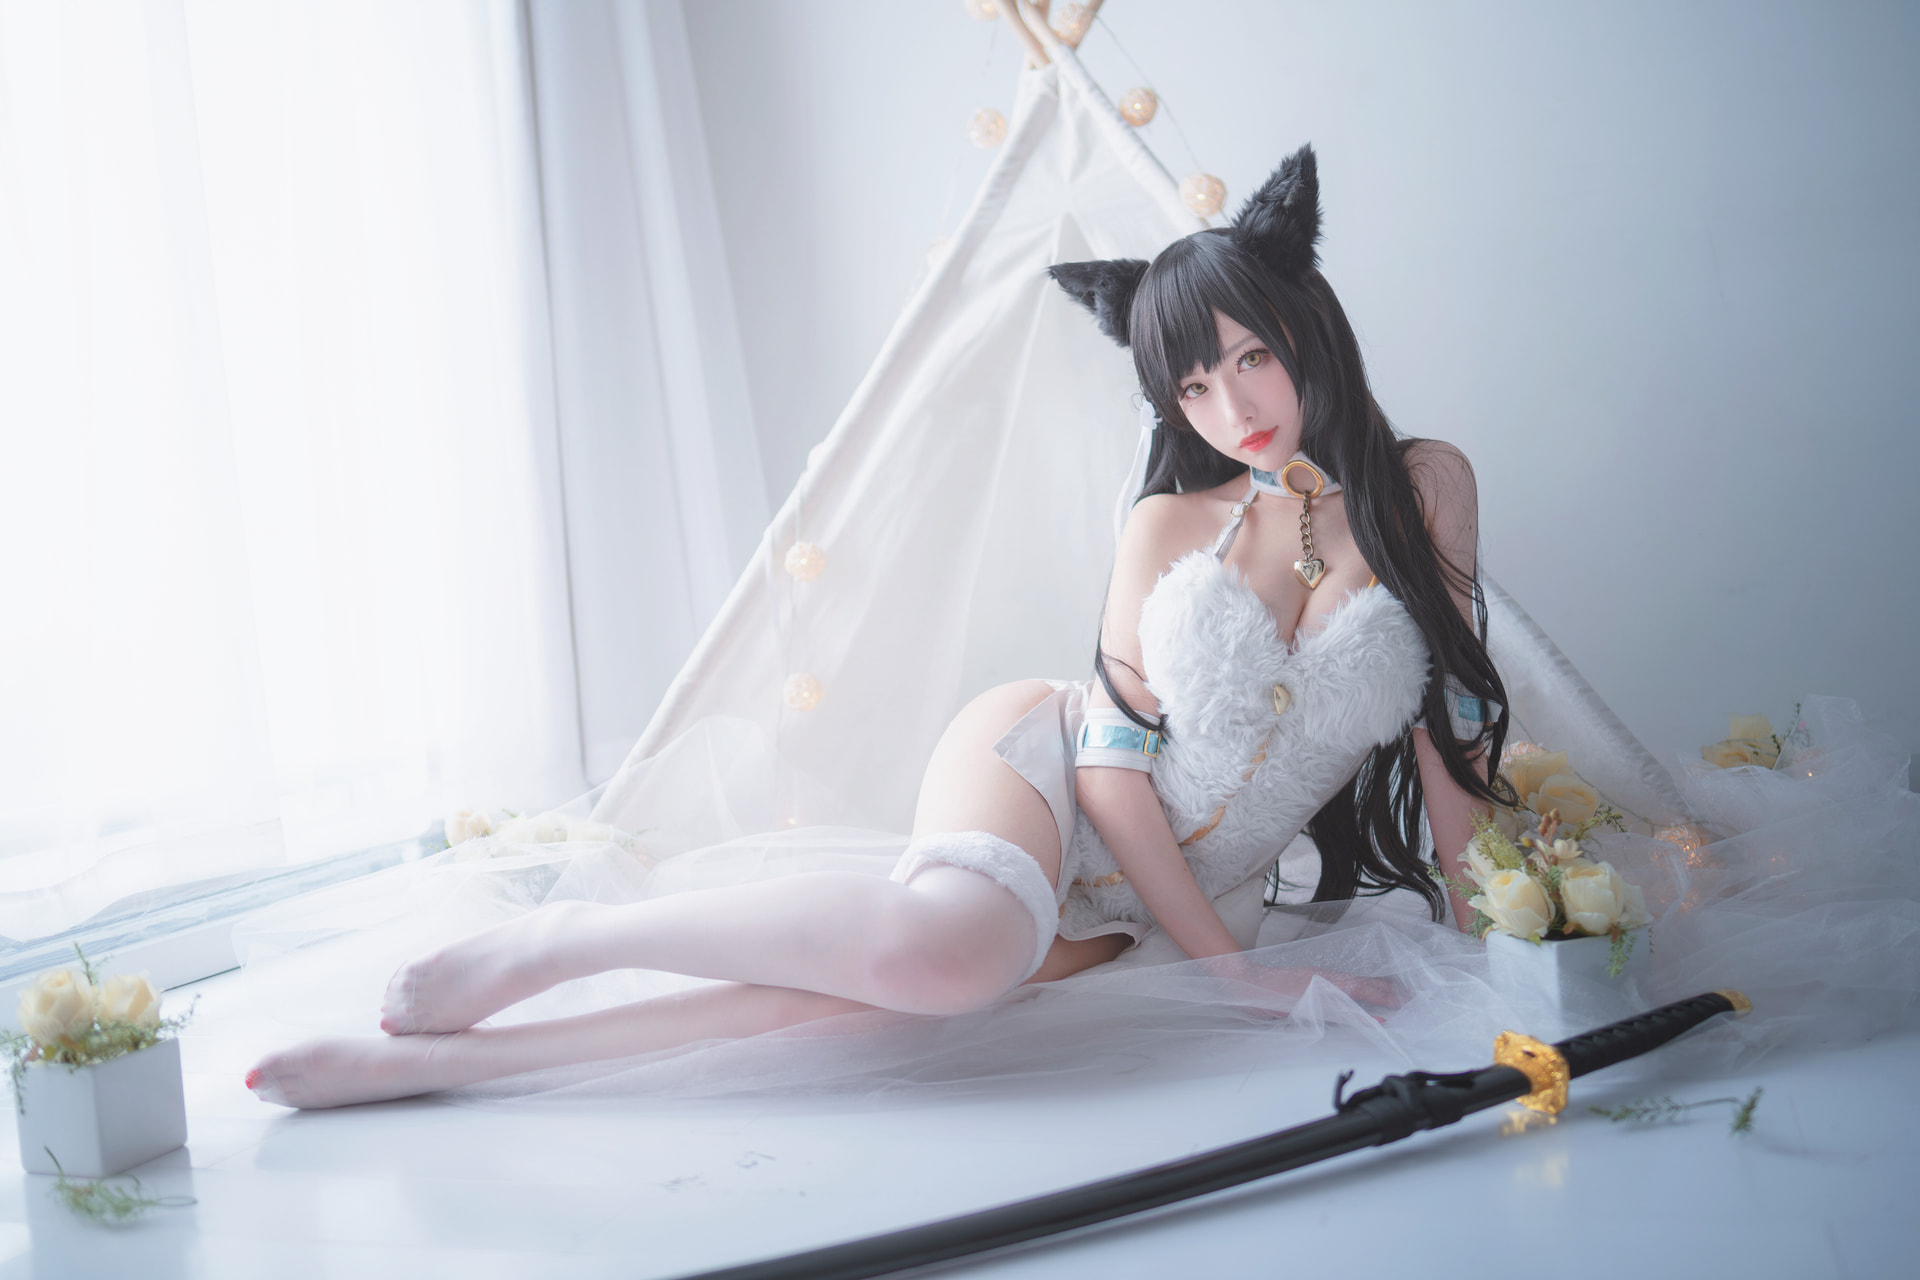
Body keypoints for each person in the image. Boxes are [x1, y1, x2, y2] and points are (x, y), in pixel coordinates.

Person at [245, 146, 1512, 1109]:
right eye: (1192, 382)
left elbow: (1447, 723)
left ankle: (452, 1066)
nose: (1230, 405)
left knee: (871, 1002)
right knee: (945, 954)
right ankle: (563, 940)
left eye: (1247, 357)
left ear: (1303, 325)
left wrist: (1488, 940)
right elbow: (1114, 765)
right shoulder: (1171, 522)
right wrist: (1234, 976)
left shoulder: (1426, 486)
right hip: (1052, 777)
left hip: (1169, 902)